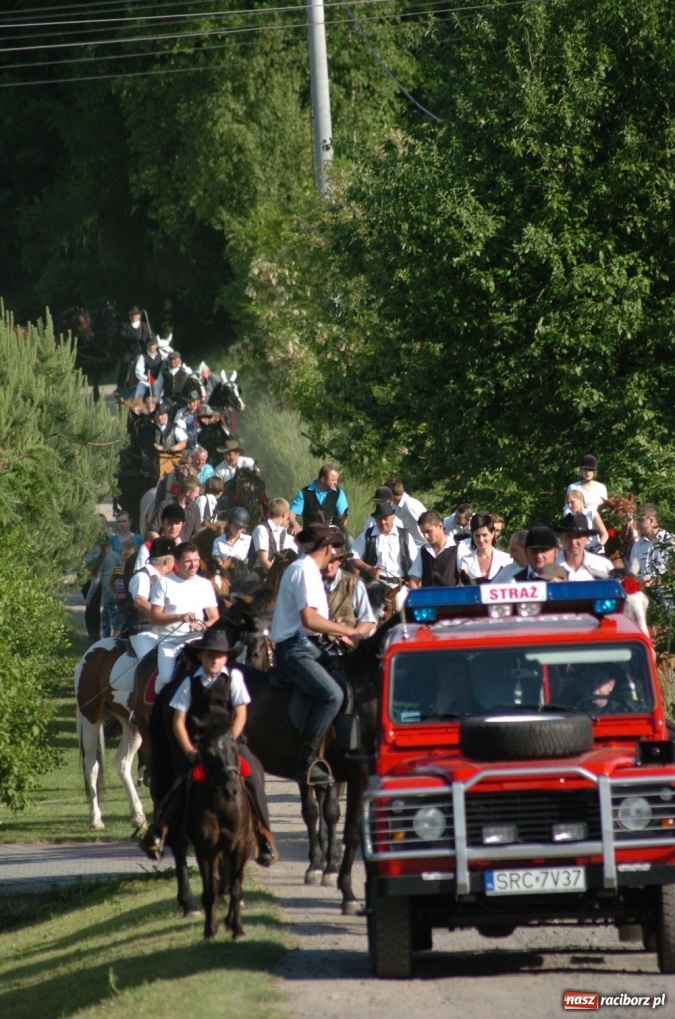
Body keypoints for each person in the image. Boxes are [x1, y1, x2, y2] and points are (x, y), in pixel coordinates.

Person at [140, 629, 276, 866]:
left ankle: (264, 835)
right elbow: (178, 722)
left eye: (219, 655)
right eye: (209, 655)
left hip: (231, 744)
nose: (214, 659)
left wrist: (229, 743)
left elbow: (241, 715)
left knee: (254, 775)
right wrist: (190, 751)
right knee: (179, 782)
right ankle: (158, 830)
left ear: (226, 657)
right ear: (201, 657)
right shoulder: (189, 683)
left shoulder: (234, 679)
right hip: (200, 745)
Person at [270, 523, 364, 784]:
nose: (334, 554)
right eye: (333, 548)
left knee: (347, 684)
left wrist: (342, 636)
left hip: (310, 645)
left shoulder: (309, 571)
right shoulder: (304, 571)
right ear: (326, 547)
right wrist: (349, 631)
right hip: (294, 648)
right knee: (331, 695)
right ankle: (306, 762)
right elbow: (310, 619)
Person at [150, 541, 219, 694]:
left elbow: (214, 617)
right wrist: (179, 617)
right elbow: (154, 618)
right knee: (166, 678)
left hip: (198, 641)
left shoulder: (205, 584)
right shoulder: (164, 582)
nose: (194, 565)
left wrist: (204, 626)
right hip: (170, 642)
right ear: (177, 562)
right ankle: (156, 711)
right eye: (188, 561)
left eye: (196, 560)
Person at [126, 536, 177, 658]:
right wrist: (163, 618)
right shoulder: (142, 576)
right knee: (149, 661)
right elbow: (139, 601)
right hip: (143, 631)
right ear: (167, 561)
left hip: (164, 631)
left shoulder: (166, 580)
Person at [350, 503, 417, 585]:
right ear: (375, 520)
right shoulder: (367, 535)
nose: (382, 522)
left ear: (393, 517)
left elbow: (416, 562)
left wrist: (412, 581)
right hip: (375, 583)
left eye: (385, 519)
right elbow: (353, 557)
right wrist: (368, 568)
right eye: (379, 519)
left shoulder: (405, 536)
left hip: (400, 584)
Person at [321, 548, 376, 638]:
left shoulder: (354, 584)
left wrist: (351, 637)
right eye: (326, 561)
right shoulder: (309, 581)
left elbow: (367, 620)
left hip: (342, 647)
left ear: (340, 561)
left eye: (332, 562)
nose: (329, 566)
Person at [288, 464, 349, 535]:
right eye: (333, 480)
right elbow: (291, 513)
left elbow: (343, 518)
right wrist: (295, 525)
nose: (336, 483)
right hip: (309, 537)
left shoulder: (339, 494)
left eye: (336, 480)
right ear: (323, 479)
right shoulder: (305, 493)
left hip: (332, 537)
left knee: (350, 541)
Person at [629, 503, 675, 588]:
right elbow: (632, 572)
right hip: (644, 592)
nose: (637, 524)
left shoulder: (670, 542)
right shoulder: (637, 545)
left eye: (641, 520)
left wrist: (653, 582)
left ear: (651, 521)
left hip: (666, 592)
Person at [456, 513, 513, 583]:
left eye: (484, 535)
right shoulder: (466, 561)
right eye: (477, 536)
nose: (481, 540)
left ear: (492, 534)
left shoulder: (506, 559)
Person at [409, 510, 460, 588]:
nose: (426, 536)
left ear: (440, 526)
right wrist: (418, 598)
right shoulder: (423, 551)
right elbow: (413, 580)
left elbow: (464, 579)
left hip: (451, 598)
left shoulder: (458, 547)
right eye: (423, 533)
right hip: (428, 599)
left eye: (429, 531)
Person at [555, 513, 613, 580]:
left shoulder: (603, 566)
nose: (573, 542)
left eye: (578, 536)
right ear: (561, 537)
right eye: (569, 536)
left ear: (587, 538)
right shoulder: (550, 569)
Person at [251, 497, 298, 574]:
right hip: (259, 572)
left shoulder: (283, 532)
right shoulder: (261, 529)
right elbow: (264, 561)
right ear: (284, 515)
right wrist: (279, 576)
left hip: (277, 574)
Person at [147, 476, 202, 542]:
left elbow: (196, 535)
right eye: (196, 492)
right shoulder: (165, 506)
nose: (198, 495)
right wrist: (164, 545)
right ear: (188, 492)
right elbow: (152, 531)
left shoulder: (195, 509)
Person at [135, 503, 185, 572]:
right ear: (162, 522)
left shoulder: (186, 549)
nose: (173, 527)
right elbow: (140, 575)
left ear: (183, 524)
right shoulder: (148, 547)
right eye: (170, 523)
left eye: (177, 523)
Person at [116, 305, 154, 392]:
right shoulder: (124, 326)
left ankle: (154, 383)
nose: (134, 316)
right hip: (130, 351)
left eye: (136, 314)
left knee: (153, 363)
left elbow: (151, 337)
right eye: (132, 315)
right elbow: (122, 336)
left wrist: (151, 341)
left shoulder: (145, 326)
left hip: (143, 350)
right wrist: (133, 337)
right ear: (129, 316)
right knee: (124, 364)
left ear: (139, 315)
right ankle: (120, 386)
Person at [383, 477, 427, 547]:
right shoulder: (394, 507)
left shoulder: (410, 504)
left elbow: (427, 522)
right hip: (410, 547)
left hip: (423, 546)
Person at [565, 488, 608, 553]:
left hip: (595, 551)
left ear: (581, 500)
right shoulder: (571, 516)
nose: (570, 505)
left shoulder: (591, 513)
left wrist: (597, 547)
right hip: (580, 552)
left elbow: (605, 534)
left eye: (572, 502)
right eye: (568, 503)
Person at [133, 335, 164, 400]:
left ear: (156, 345)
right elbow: (138, 372)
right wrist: (147, 378)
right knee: (138, 397)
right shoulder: (142, 356)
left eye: (153, 345)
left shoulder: (161, 355)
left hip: (159, 381)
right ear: (147, 345)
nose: (151, 347)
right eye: (149, 345)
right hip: (146, 382)